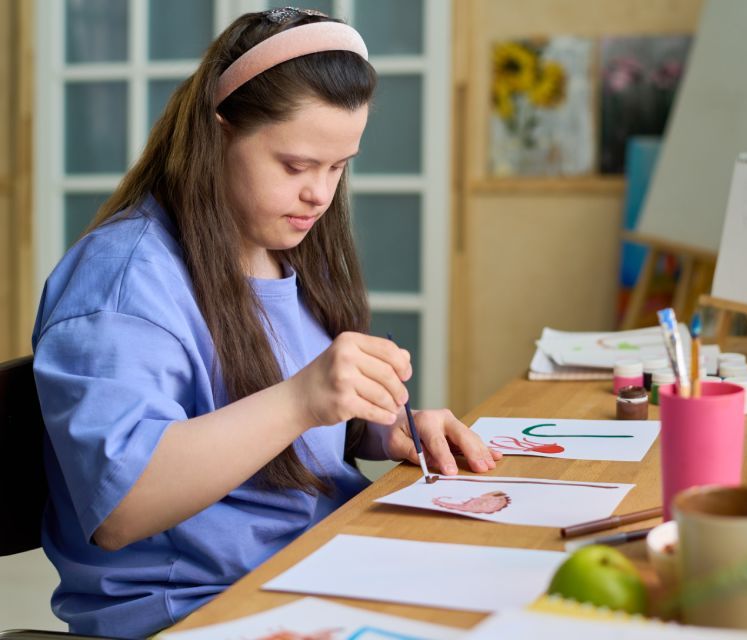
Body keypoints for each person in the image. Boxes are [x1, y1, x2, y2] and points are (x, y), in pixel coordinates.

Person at [31, 8, 501, 638]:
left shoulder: (278, 247)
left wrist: (376, 425)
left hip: (314, 566)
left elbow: (266, 413)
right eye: (296, 165)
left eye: (338, 167)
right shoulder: (122, 280)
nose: (320, 195)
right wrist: (305, 399)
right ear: (219, 134)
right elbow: (122, 504)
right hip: (201, 609)